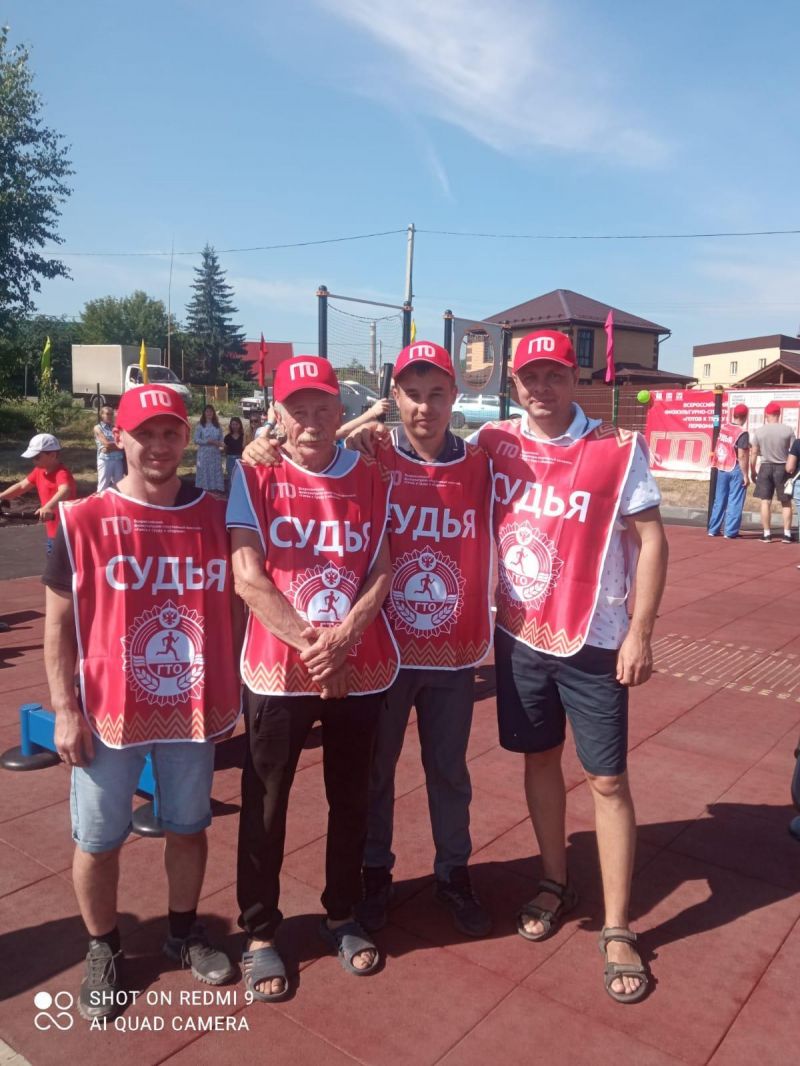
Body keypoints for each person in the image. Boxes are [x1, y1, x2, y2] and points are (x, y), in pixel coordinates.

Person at [243, 345, 494, 938]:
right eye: (413, 394)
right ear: (394, 398)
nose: (425, 406)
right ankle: (374, 875)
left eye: (437, 394)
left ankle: (453, 873)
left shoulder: (483, 462)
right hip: (382, 649)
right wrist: (260, 446)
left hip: (451, 647)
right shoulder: (373, 455)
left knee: (448, 770)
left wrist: (602, 434)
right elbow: (311, 447)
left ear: (454, 398)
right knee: (374, 776)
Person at [475, 330, 668, 1004]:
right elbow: (424, 458)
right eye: (530, 377)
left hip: (595, 638)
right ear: (513, 382)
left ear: (575, 377)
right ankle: (554, 881)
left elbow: (652, 540)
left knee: (607, 780)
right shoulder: (493, 443)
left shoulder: (617, 449)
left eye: (554, 375)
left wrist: (640, 632)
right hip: (521, 636)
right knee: (538, 761)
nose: (542, 388)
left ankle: (617, 926)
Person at [42, 385, 241, 1022]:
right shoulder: (82, 520)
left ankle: (183, 932)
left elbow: (244, 600)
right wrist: (64, 708)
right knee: (100, 841)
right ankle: (103, 946)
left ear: (187, 437)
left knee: (188, 828)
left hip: (191, 709)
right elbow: (58, 627)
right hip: (107, 713)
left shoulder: (219, 516)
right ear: (118, 438)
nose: (158, 445)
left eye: (169, 433)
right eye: (144, 433)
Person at [227, 355, 398, 1001]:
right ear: (278, 413)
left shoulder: (370, 474)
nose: (311, 421)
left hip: (359, 665)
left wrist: (346, 637)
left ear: (339, 409)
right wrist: (316, 647)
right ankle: (260, 933)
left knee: (351, 797)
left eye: (323, 407)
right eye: (297, 409)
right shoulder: (255, 474)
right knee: (266, 805)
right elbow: (248, 577)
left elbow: (382, 567)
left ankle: (342, 914)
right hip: (279, 671)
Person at [0, 433, 77, 554]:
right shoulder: (39, 471)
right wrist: (2, 496)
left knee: (62, 564)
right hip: (53, 532)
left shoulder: (61, 473)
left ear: (52, 455)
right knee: (55, 562)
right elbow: (21, 486)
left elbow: (65, 490)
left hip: (67, 532)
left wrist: (47, 507)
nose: (33, 460)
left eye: (37, 457)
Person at [750, 401, 795, 543]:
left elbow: (754, 452)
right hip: (783, 467)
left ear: (766, 415)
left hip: (765, 467)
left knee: (765, 502)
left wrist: (752, 470)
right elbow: (794, 452)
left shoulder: (759, 431)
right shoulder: (788, 430)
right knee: (786, 502)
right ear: (779, 414)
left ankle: (767, 534)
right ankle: (787, 534)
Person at [707, 403, 750, 539]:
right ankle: (730, 531)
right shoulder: (742, 432)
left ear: (734, 414)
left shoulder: (725, 427)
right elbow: (742, 455)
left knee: (719, 499)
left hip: (722, 466)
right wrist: (745, 475)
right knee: (735, 500)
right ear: (745, 416)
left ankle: (713, 529)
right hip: (735, 467)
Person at [93, 405, 125, 491]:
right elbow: (106, 444)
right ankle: (100, 500)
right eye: (107, 414)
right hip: (105, 460)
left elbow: (123, 444)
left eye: (111, 414)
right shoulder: (98, 428)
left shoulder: (116, 428)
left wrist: (111, 447)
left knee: (119, 486)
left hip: (118, 460)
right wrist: (118, 446)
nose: (109, 416)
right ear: (102, 415)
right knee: (103, 486)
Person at [194, 404, 224, 492]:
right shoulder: (200, 426)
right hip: (204, 454)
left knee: (215, 471)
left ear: (213, 413)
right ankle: (205, 491)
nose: (209, 413)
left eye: (211, 411)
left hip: (215, 454)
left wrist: (219, 444)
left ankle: (216, 490)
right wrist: (207, 441)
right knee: (205, 471)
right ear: (204, 413)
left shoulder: (218, 426)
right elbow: (196, 440)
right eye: (207, 411)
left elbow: (221, 440)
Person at [223, 416, 245, 485]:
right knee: (231, 478)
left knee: (241, 477)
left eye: (236, 424)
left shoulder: (243, 436)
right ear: (230, 425)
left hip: (241, 459)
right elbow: (225, 449)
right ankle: (231, 491)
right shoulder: (227, 437)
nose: (235, 426)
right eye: (233, 424)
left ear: (240, 425)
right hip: (230, 459)